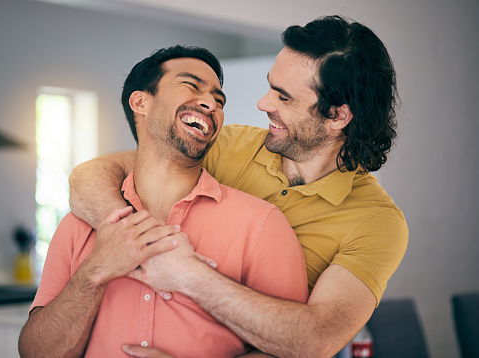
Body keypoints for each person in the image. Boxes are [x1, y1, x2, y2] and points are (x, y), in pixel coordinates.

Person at [68, 15, 408, 358]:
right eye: (270, 86)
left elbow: (315, 340)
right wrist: (139, 242)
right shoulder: (226, 144)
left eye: (283, 98)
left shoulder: (377, 222)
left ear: (337, 116)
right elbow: (88, 178)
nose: (263, 104)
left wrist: (188, 275)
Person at [18, 45, 309, 358]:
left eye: (219, 99)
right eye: (191, 85)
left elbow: (292, 350)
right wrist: (96, 271)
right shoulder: (78, 225)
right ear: (141, 102)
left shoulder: (262, 226)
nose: (211, 103)